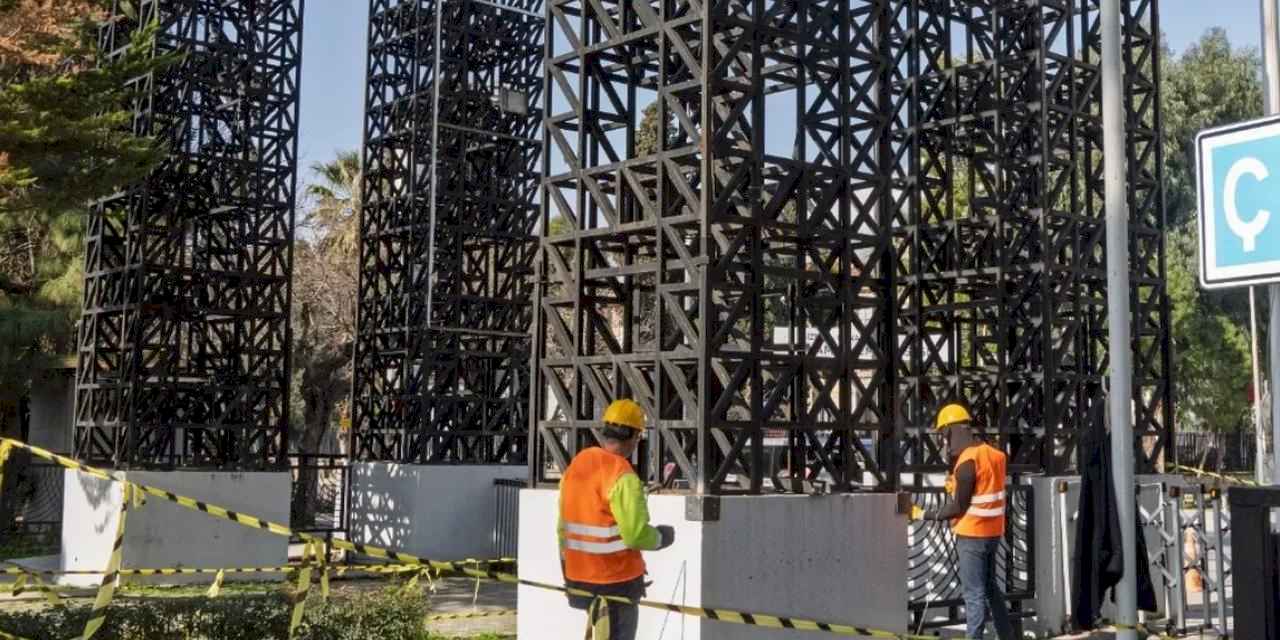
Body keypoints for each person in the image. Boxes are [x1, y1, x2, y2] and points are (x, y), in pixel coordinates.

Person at [558, 398, 675, 640]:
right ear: (634, 436)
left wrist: (567, 569)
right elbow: (634, 535)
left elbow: (562, 528)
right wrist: (662, 537)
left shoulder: (579, 464)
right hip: (615, 582)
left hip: (578, 577)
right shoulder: (621, 474)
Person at [910, 403, 1013, 640]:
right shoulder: (995, 455)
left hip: (972, 536)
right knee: (990, 589)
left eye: (944, 435)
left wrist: (922, 514)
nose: (945, 442)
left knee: (974, 594)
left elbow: (959, 507)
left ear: (952, 430)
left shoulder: (967, 462)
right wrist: (955, 485)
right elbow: (983, 489)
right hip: (993, 533)